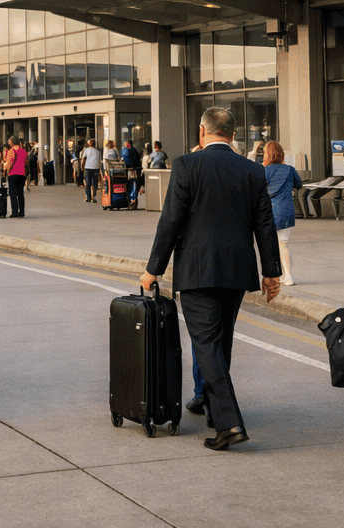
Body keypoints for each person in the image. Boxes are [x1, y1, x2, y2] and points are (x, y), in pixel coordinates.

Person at [141, 106, 280, 450]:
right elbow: (264, 224)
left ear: (202, 133)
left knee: (206, 347)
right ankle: (217, 412)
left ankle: (229, 423)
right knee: (221, 343)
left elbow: (170, 220)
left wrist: (153, 268)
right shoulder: (252, 171)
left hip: (197, 271)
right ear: (233, 136)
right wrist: (271, 273)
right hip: (237, 271)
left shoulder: (188, 165)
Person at [262, 140, 300, 286]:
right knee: (284, 243)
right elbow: (299, 184)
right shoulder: (290, 169)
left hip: (270, 211)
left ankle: (286, 275)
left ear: (269, 154)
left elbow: (259, 189)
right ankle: (287, 275)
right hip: (287, 210)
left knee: (276, 245)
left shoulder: (265, 171)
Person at [4, 136, 28, 217]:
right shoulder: (24, 151)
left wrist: (7, 170)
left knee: (13, 193)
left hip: (13, 174)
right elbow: (26, 163)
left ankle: (15, 212)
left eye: (9, 141)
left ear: (12, 142)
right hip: (22, 174)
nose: (9, 143)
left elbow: (10, 162)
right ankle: (22, 211)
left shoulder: (11, 151)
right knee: (20, 193)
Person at [121, 138, 142, 204]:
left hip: (131, 170)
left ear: (129, 144)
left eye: (126, 144)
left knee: (131, 184)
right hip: (134, 170)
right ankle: (133, 198)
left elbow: (124, 159)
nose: (125, 145)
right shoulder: (135, 151)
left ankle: (131, 198)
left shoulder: (127, 151)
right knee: (133, 184)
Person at [81, 138, 102, 203]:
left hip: (88, 168)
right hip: (96, 168)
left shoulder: (87, 150)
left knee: (88, 183)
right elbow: (100, 161)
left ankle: (88, 197)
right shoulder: (98, 151)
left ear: (89, 144)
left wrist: (82, 166)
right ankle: (94, 197)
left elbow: (83, 159)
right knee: (94, 183)